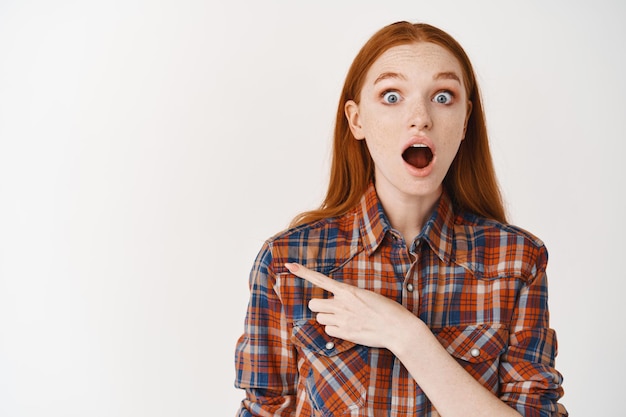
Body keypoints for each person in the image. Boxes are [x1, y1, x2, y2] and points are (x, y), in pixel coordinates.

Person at [234, 21, 567, 417]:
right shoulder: (288, 262)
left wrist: (407, 336)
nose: (420, 117)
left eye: (443, 96)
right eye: (391, 96)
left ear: (465, 122)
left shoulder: (517, 261)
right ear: (356, 120)